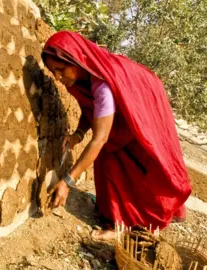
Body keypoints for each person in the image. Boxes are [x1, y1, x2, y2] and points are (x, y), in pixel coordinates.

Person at [43, 31, 191, 240]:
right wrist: (78, 133)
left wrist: (67, 181)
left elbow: (100, 138)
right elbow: (90, 109)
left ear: (76, 60)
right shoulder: (85, 77)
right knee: (110, 164)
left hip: (142, 118)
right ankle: (117, 218)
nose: (58, 77)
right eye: (53, 72)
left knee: (142, 172)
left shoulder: (103, 84)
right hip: (122, 123)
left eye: (60, 69)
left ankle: (123, 226)